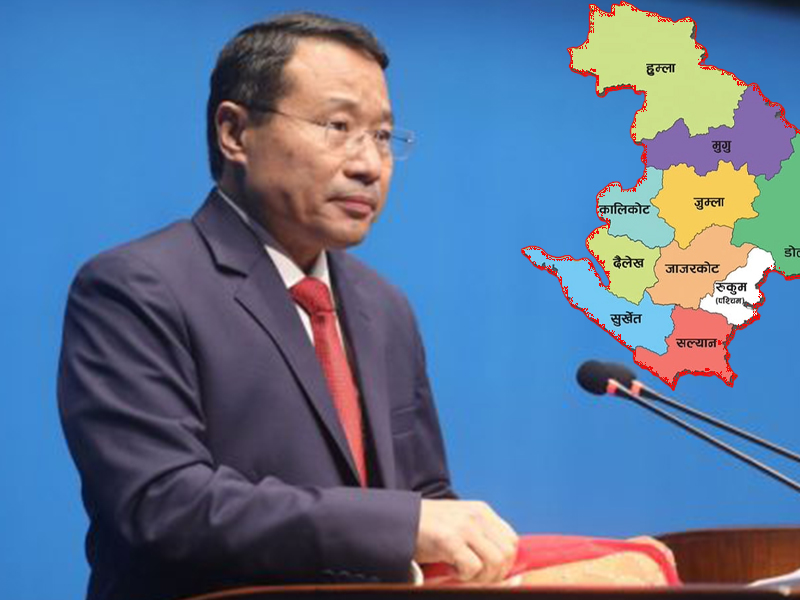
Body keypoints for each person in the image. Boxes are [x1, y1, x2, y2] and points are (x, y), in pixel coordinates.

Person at [57, 13, 517, 600]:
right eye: (337, 126)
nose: (369, 165)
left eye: (382, 136)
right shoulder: (136, 288)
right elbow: (163, 503)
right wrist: (400, 526)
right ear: (235, 132)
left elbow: (424, 500)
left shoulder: (384, 308)